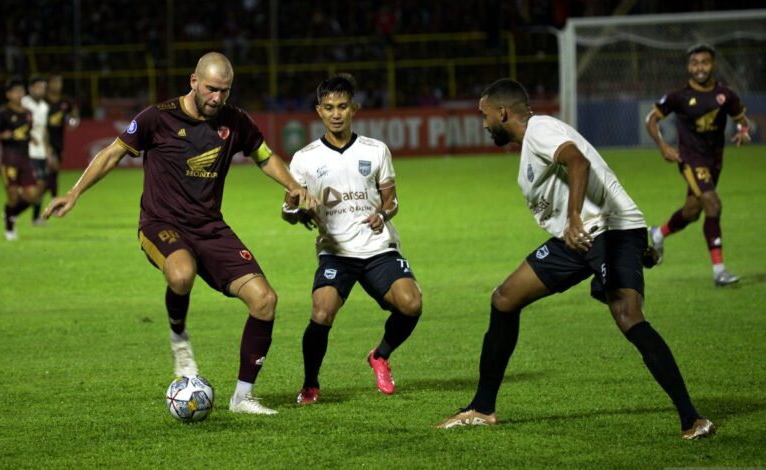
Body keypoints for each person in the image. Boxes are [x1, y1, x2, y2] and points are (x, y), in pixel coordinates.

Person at [435, 78, 714, 440]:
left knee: (627, 314)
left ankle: (692, 420)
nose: (484, 123)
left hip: (606, 229)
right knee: (504, 299)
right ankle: (482, 408)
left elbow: (576, 161)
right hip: (579, 239)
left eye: (485, 116)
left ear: (503, 112)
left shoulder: (540, 130)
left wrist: (575, 217)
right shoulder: (532, 144)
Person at [43, 52, 316, 415]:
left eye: (225, 91)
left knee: (265, 301)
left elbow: (265, 156)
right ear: (193, 81)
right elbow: (112, 154)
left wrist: (294, 185)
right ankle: (179, 337)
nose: (218, 98)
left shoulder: (236, 121)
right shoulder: (158, 117)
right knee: (182, 273)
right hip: (161, 224)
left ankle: (242, 398)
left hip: (210, 227)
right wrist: (74, 192)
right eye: (211, 89)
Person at [282, 74, 422, 404]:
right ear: (319, 111)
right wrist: (296, 210)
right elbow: (287, 211)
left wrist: (383, 215)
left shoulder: (376, 151)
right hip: (335, 252)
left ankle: (380, 355)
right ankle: (311, 384)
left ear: (354, 108)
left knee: (411, 304)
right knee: (321, 312)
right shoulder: (304, 158)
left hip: (378, 248)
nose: (336, 113)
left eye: (342, 106)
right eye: (329, 107)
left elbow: (393, 201)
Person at [645, 43, 751, 286]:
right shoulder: (679, 96)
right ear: (688, 67)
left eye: (704, 62)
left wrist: (743, 131)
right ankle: (719, 271)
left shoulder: (725, 95)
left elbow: (742, 120)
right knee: (713, 203)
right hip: (690, 160)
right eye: (694, 63)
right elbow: (651, 119)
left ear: (712, 65)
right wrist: (663, 146)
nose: (699, 68)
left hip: (714, 162)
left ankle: (658, 233)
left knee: (693, 211)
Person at [0, 77, 38, 241]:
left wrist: (31, 137)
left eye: (21, 91)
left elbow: (25, 132)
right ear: (8, 94)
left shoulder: (28, 114)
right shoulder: (2, 114)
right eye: (15, 91)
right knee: (13, 195)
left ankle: (10, 213)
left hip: (25, 159)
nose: (18, 94)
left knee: (32, 195)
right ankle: (10, 230)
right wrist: (0, 135)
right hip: (9, 160)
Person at [21, 75, 54, 226]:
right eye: (39, 87)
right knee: (37, 184)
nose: (41, 90)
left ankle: (33, 218)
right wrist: (28, 136)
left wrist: (47, 147)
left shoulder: (44, 107)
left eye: (43, 88)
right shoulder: (23, 103)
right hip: (27, 150)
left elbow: (45, 130)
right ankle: (13, 210)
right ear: (31, 88)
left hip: (40, 151)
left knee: (42, 184)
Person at [45, 74, 80, 200]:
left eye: (59, 83)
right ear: (48, 84)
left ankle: (45, 202)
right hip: (43, 141)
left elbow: (75, 115)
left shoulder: (65, 102)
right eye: (54, 82)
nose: (57, 85)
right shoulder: (43, 102)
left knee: (53, 174)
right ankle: (53, 199)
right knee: (50, 170)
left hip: (58, 141)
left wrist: (73, 121)